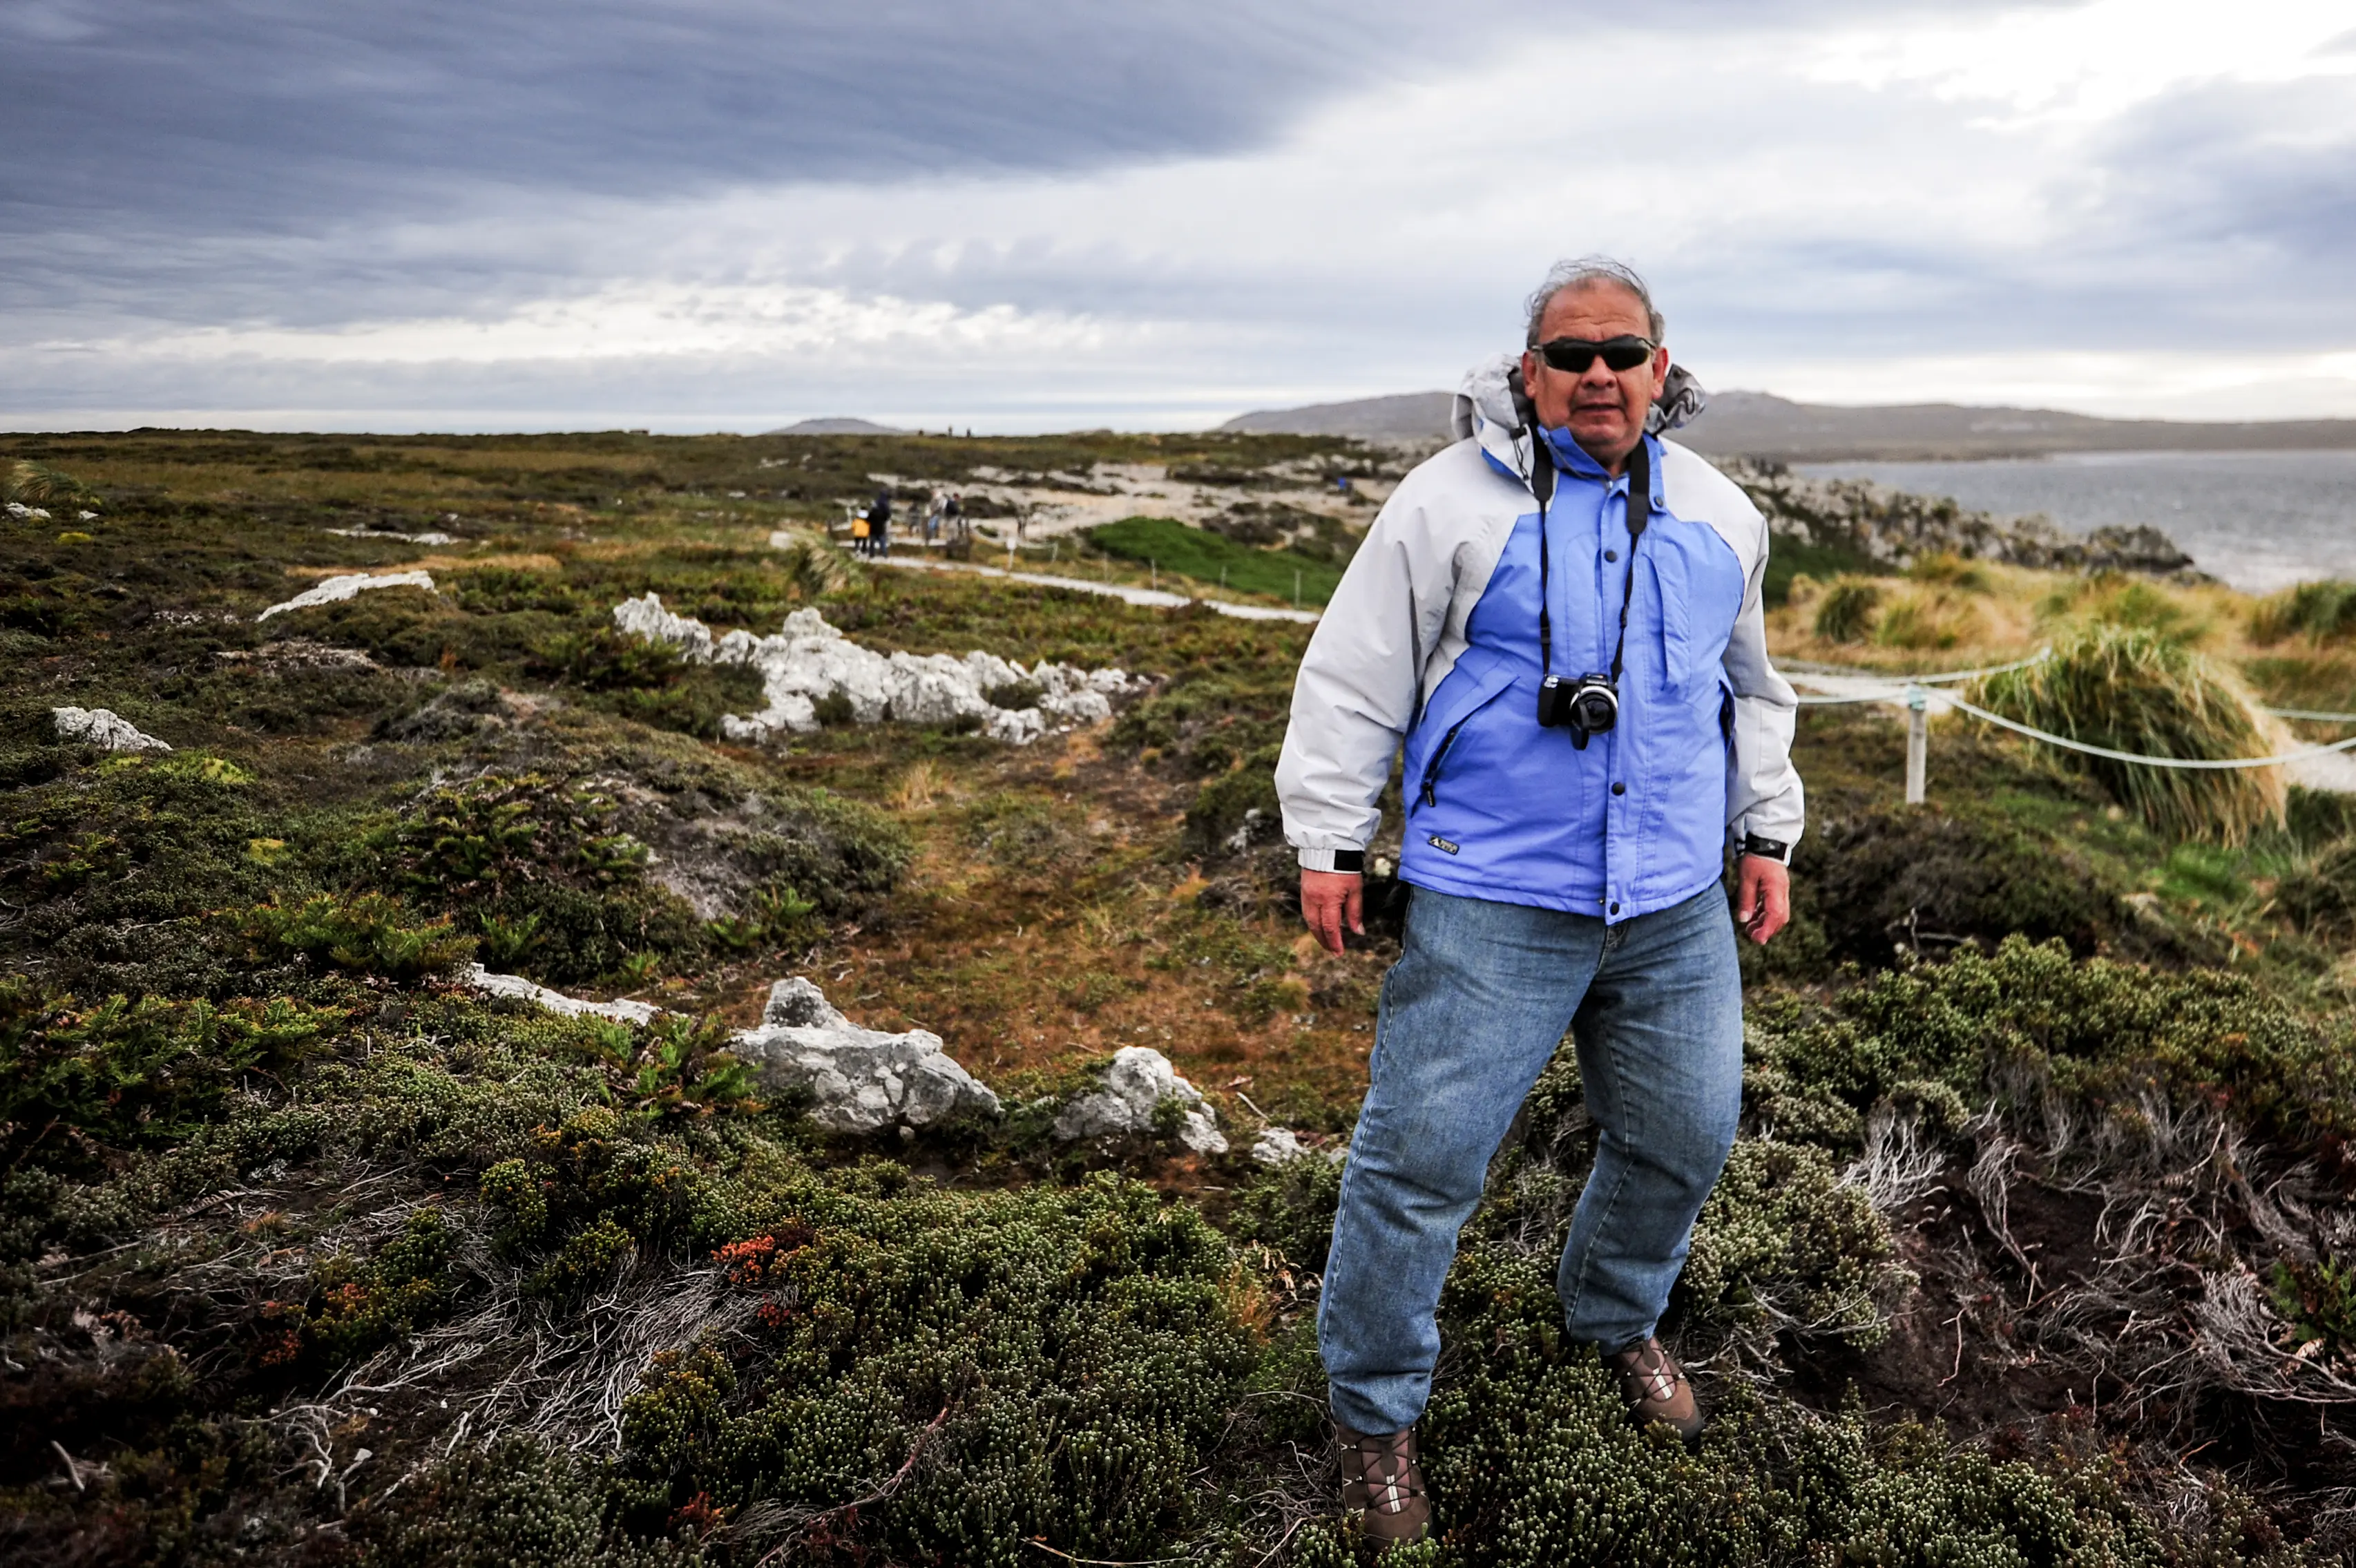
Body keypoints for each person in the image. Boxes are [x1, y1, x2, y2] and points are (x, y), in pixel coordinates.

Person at [1273, 256, 1801, 1547]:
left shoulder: (1724, 514)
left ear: (1662, 371)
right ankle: (1374, 1415)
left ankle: (1614, 1319)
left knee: (1683, 1136)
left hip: (1673, 901)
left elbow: (1753, 690)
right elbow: (1354, 674)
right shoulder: (1445, 503)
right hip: (1492, 894)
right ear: (1528, 373)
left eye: (1624, 354)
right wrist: (1331, 841)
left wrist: (1765, 830)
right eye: (1571, 356)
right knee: (1420, 1169)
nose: (1599, 376)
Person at [870, 486, 894, 559]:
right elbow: (888, 513)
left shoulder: (877, 502)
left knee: (873, 540)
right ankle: (884, 553)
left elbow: (869, 516)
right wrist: (885, 519)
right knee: (883, 538)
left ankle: (872, 554)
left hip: (874, 525)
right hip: (882, 523)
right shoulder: (885, 502)